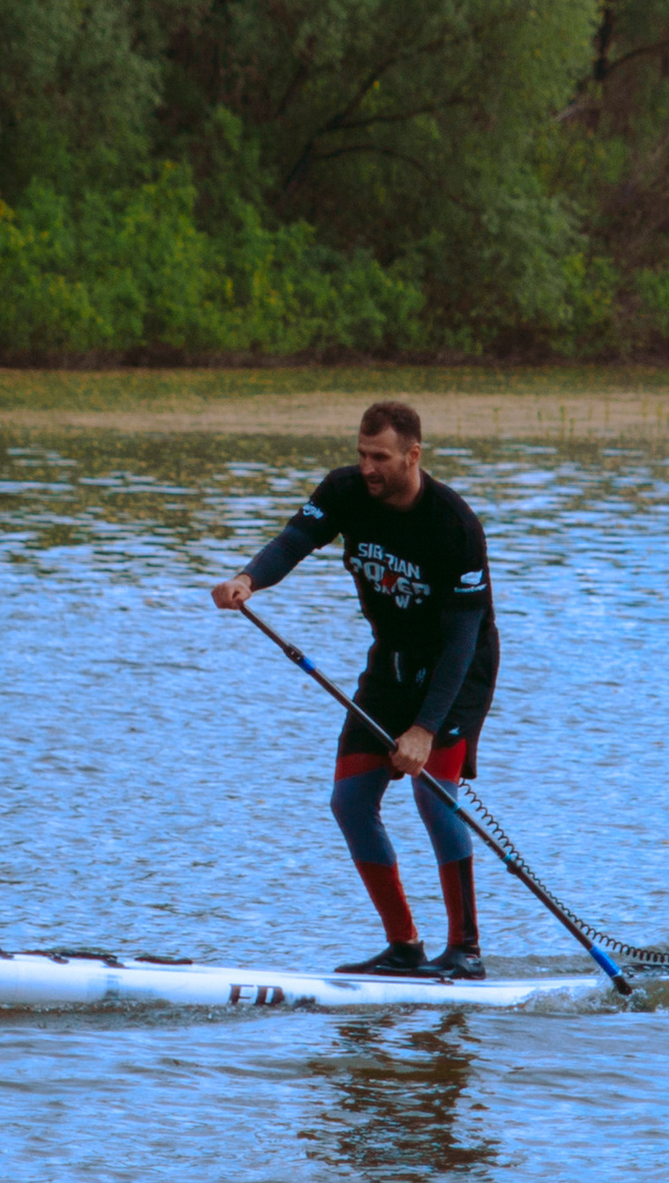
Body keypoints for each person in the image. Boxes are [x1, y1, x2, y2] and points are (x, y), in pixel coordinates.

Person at [211, 398, 497, 980]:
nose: (367, 467)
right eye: (362, 454)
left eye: (380, 457)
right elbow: (294, 539)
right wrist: (248, 579)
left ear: (413, 456)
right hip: (389, 666)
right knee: (350, 802)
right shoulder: (344, 492)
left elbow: (464, 637)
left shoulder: (455, 525)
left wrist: (423, 729)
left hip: (455, 673)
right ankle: (404, 947)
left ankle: (465, 951)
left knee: (432, 796)